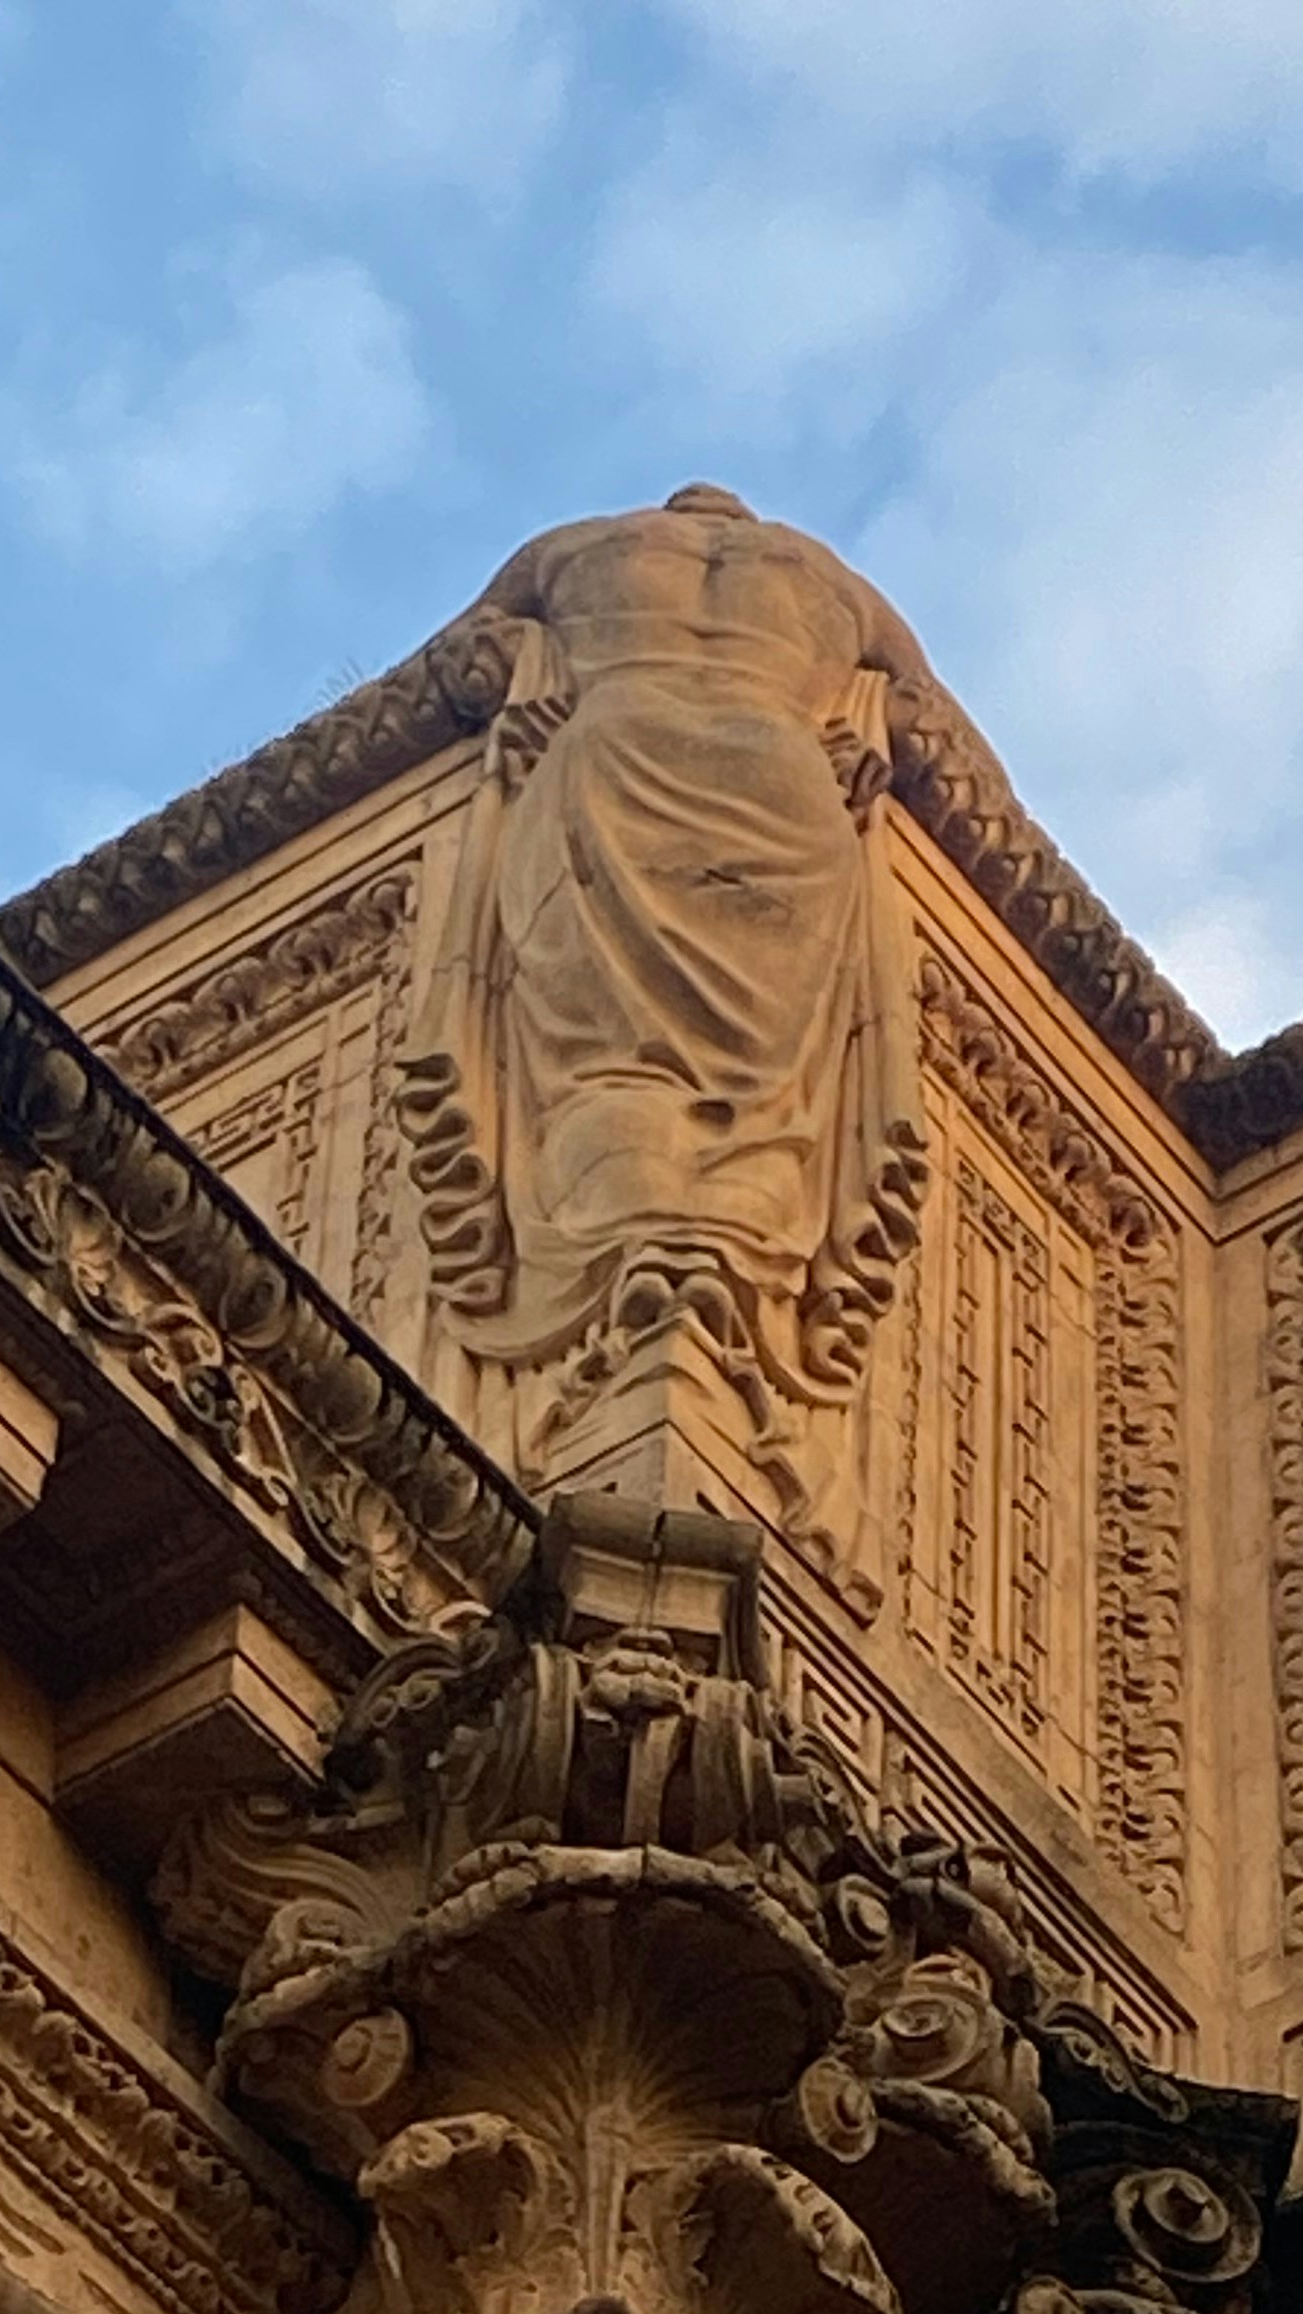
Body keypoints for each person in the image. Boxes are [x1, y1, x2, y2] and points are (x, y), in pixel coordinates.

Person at [401, 487, 929, 1600]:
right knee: (760, 1096)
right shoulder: (834, 585)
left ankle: (631, 1282)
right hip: (782, 786)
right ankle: (713, 1300)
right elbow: (937, 734)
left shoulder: (567, 545)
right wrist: (864, 714)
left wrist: (538, 666)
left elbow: (457, 665)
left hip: (614, 760)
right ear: (747, 529)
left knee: (606, 1062)